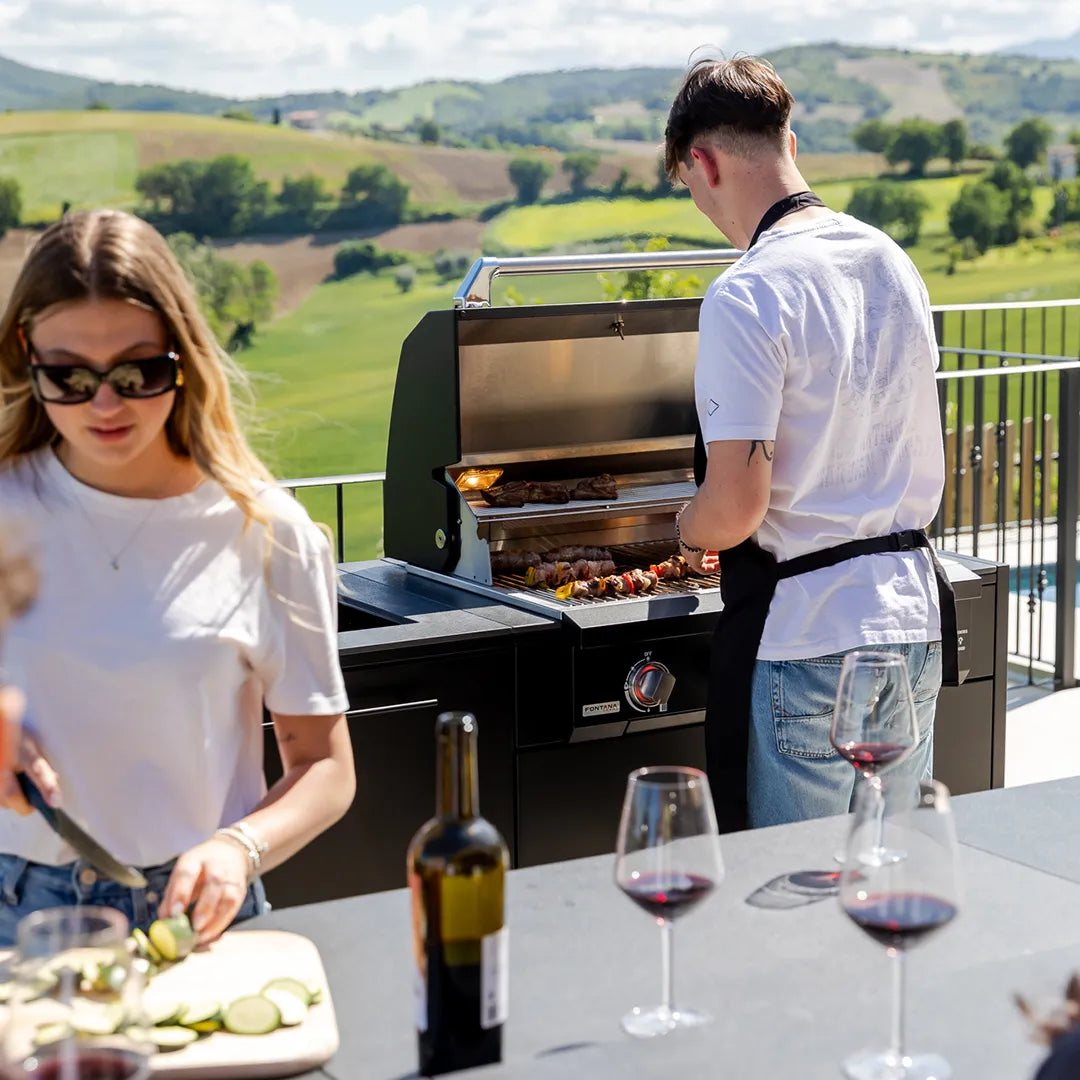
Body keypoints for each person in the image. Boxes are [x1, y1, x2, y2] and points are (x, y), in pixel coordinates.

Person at [0, 209, 355, 946]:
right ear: (28, 356)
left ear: (182, 356)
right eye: (69, 376)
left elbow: (325, 767)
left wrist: (240, 848)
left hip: (199, 915)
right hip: (15, 910)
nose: (105, 404)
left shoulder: (268, 533)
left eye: (138, 372)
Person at [664, 56, 953, 830]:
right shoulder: (891, 261)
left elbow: (735, 508)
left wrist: (686, 532)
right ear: (790, 142)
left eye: (690, 187)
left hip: (808, 639)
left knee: (797, 892)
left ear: (703, 162)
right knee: (882, 872)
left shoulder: (749, 290)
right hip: (911, 622)